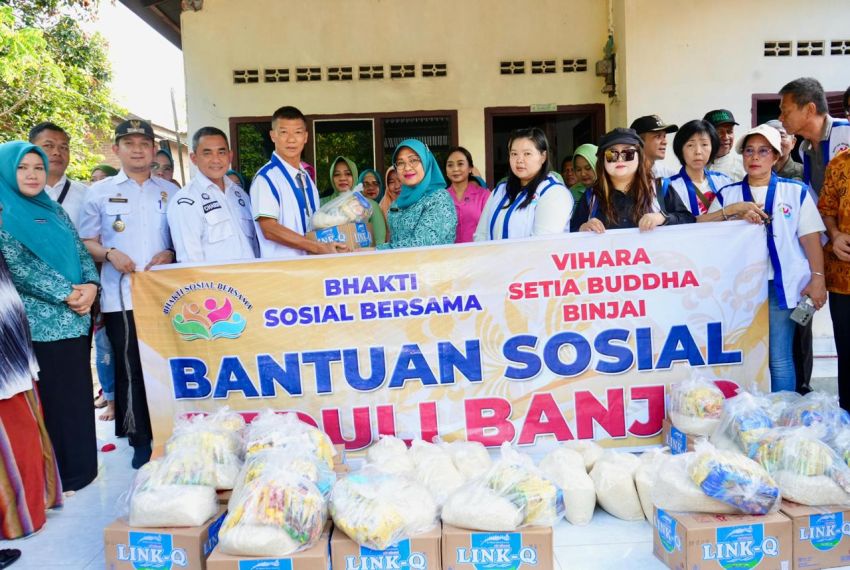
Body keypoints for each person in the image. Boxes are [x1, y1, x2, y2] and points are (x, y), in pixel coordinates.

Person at [0, 141, 99, 491]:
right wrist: (67, 292)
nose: (31, 174)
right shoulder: (4, 212)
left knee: (77, 395)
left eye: (37, 168)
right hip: (37, 322)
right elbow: (18, 264)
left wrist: (90, 285)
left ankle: (83, 470)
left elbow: (80, 250)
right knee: (53, 399)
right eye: (22, 168)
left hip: (76, 317)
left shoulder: (55, 212)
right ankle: (59, 476)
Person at [79, 119, 176, 469]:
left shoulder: (169, 192)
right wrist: (109, 254)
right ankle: (140, 440)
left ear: (153, 149)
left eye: (144, 143)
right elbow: (86, 241)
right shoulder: (99, 192)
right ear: (117, 148)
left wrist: (169, 253)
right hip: (121, 297)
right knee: (131, 368)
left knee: (167, 368)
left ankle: (170, 433)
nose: (138, 149)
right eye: (129, 142)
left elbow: (179, 240)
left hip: (165, 297)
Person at [708, 124, 826, 393]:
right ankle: (747, 414)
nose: (755, 157)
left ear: (775, 156)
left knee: (779, 356)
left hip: (781, 285)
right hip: (739, 288)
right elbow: (701, 225)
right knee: (741, 353)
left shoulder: (795, 191)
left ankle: (782, 417)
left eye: (763, 151)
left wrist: (818, 279)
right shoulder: (729, 194)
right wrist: (732, 212)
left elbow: (810, 239)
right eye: (749, 151)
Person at [0, 247, 63, 542]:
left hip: (12, 348)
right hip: (5, 364)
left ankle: (33, 507)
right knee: (15, 437)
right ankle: (17, 519)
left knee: (28, 432)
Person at [250, 106, 347, 258]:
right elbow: (269, 229)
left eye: (297, 132)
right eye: (283, 132)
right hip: (282, 272)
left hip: (310, 267)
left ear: (306, 137)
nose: (291, 139)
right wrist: (318, 247)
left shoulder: (306, 177)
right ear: (272, 136)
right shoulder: (266, 178)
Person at [573, 128, 695, 232]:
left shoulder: (661, 188)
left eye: (628, 153)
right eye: (612, 154)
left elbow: (688, 220)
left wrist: (662, 217)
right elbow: (571, 233)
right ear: (602, 161)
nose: (620, 159)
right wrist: (583, 228)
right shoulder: (591, 196)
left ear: (639, 157)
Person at [167, 127, 259, 263]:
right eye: (207, 153)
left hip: (251, 280)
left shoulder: (239, 194)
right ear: (194, 158)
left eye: (221, 152)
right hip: (217, 284)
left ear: (230, 156)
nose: (216, 160)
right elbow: (190, 261)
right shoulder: (186, 200)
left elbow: (255, 246)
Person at [474, 128, 572, 241]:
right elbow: (481, 234)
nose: (519, 160)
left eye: (527, 154)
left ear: (543, 157)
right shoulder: (500, 190)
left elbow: (542, 244)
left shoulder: (554, 193)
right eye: (514, 153)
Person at [377, 139, 457, 249]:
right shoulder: (397, 202)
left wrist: (377, 250)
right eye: (400, 163)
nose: (407, 168)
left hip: (432, 265)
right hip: (398, 264)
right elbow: (395, 239)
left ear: (426, 162)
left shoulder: (439, 198)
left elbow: (423, 244)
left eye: (413, 160)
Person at [779, 77, 850, 195]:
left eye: (785, 111)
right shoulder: (804, 149)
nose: (781, 118)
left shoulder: (846, 132)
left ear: (810, 109)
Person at [819, 148, 850, 410]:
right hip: (844, 278)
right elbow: (826, 209)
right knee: (847, 352)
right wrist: (836, 233)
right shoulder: (839, 163)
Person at [664, 120, 732, 217]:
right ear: (680, 149)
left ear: (712, 147)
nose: (698, 152)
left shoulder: (724, 181)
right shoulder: (669, 187)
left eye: (704, 144)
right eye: (690, 145)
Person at [28, 122, 88, 230]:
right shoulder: (14, 192)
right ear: (31, 150)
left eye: (64, 147)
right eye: (48, 146)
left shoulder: (86, 194)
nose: (57, 152)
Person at [321, 156, 387, 245]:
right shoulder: (322, 204)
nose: (342, 178)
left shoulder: (370, 205)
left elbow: (380, 243)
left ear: (354, 176)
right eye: (337, 174)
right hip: (329, 258)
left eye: (348, 174)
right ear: (332, 178)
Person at [445, 147, 489, 243]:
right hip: (448, 254)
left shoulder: (484, 196)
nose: (455, 169)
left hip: (477, 253)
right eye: (450, 165)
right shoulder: (441, 198)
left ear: (470, 169)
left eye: (460, 164)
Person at [704, 109, 746, 181]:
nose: (726, 137)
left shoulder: (744, 167)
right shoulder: (696, 165)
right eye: (719, 132)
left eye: (729, 131)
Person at [568, 143, 598, 217]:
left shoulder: (609, 190)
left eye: (588, 168)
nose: (583, 174)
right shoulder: (571, 193)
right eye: (578, 169)